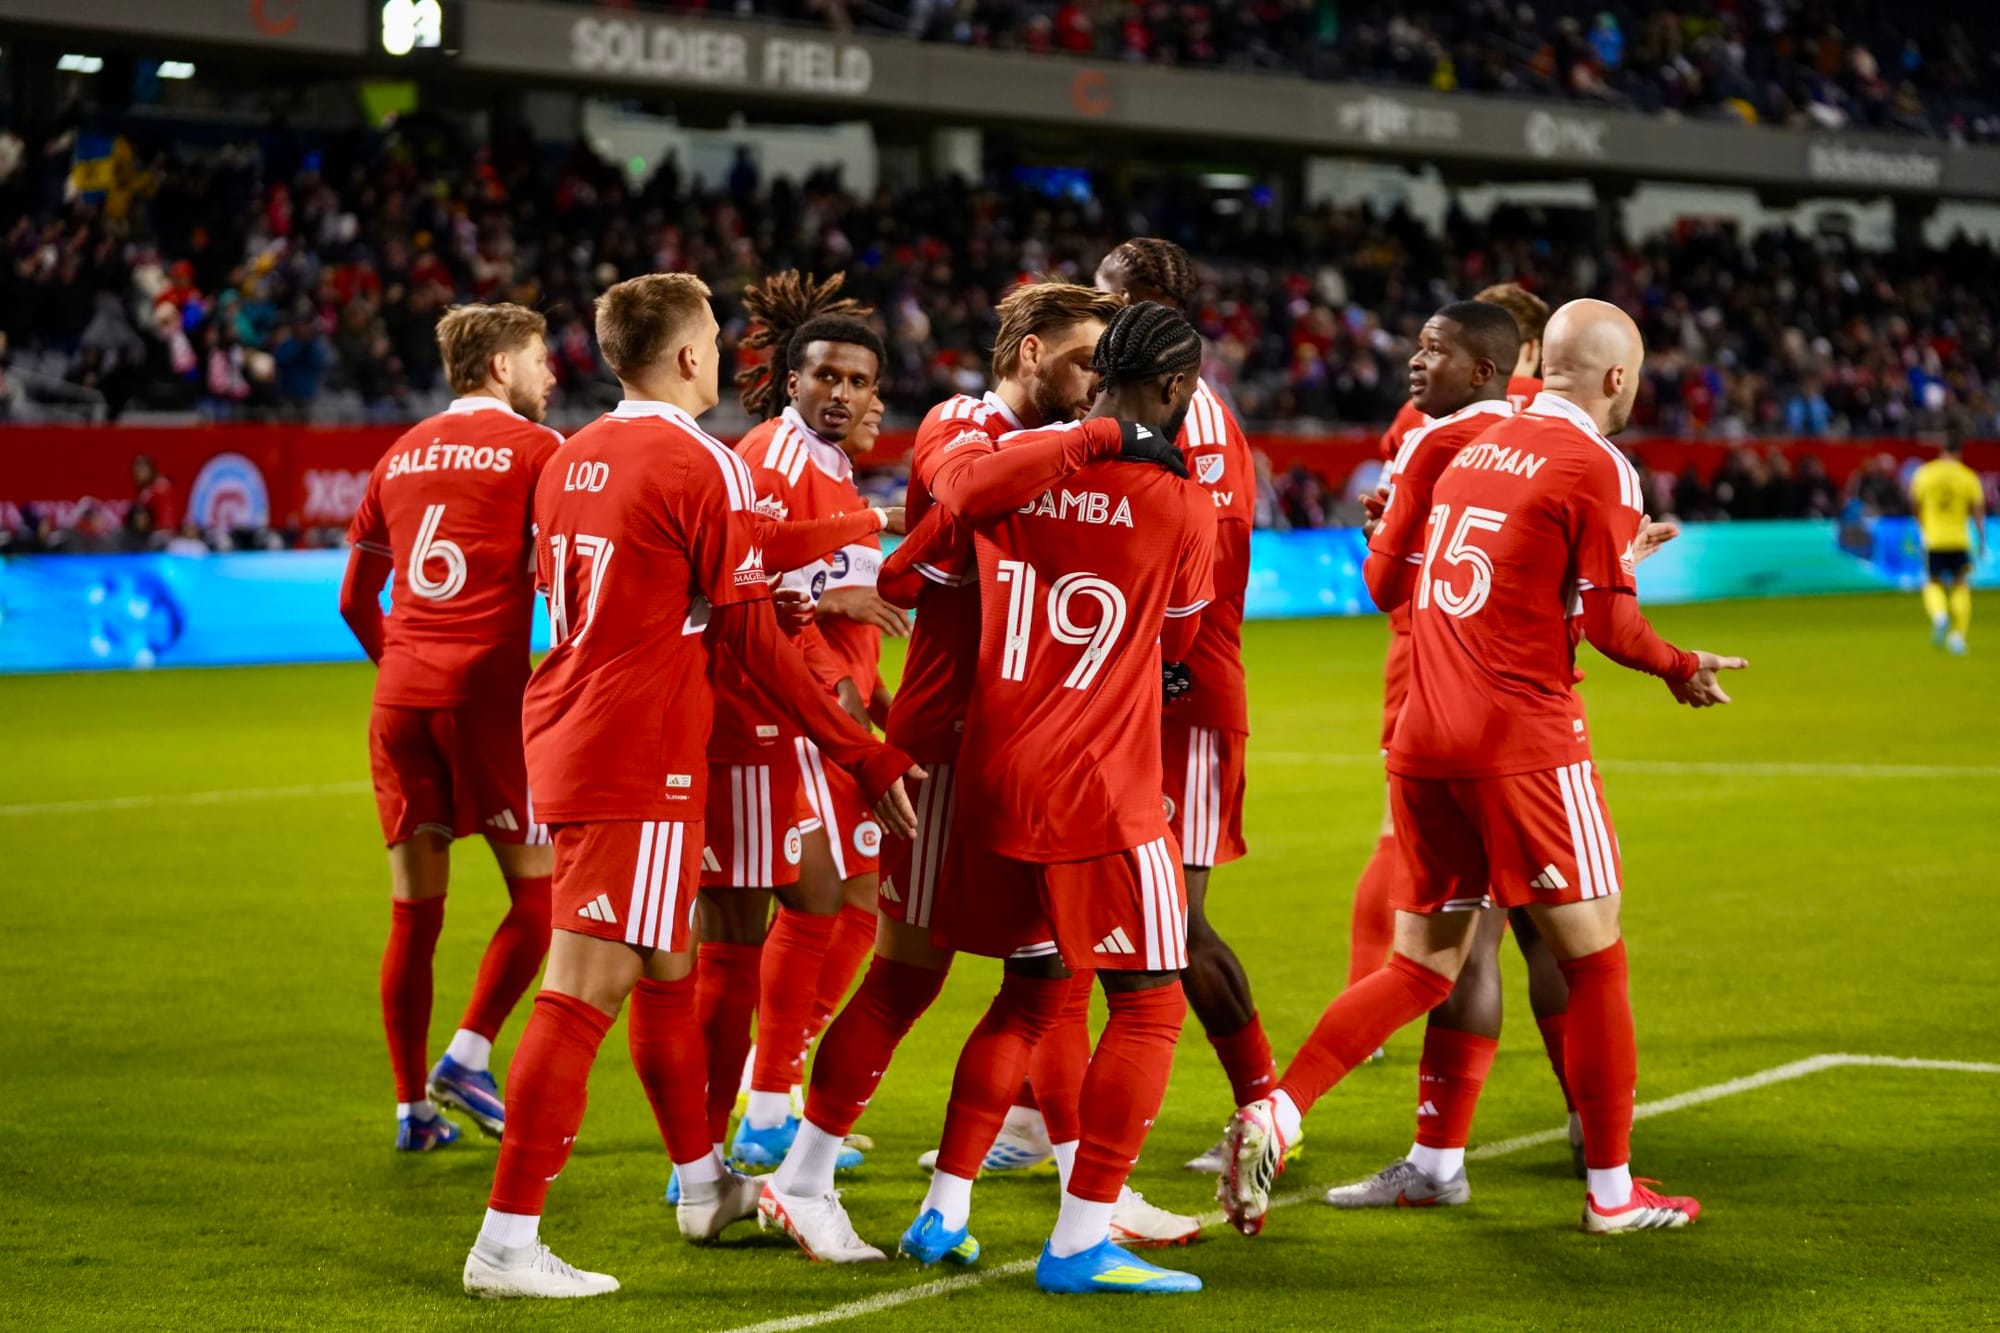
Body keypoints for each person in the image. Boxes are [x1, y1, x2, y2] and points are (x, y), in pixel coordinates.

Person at [1217, 299, 1747, 1239]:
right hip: (1527, 745)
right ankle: (1614, 1191)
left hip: (1424, 738)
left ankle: (1283, 1110)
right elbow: (1617, 629)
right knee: (1595, 960)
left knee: (1423, 964)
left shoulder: (1459, 444)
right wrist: (1679, 666)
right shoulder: (1600, 464)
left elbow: (1420, 579)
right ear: (1619, 380)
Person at [459, 273, 919, 1300]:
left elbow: (713, 553)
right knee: (586, 990)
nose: (720, 352)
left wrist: (843, 522)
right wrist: (861, 753)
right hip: (638, 748)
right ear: (684, 356)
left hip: (577, 726)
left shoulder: (572, 457)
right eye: (711, 336)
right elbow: (753, 635)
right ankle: (505, 1237)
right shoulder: (698, 460)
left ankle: (702, 1182)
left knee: (671, 967)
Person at [759, 280, 1200, 1259]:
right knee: (910, 978)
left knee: (1044, 981)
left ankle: (1033, 1192)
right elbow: (944, 521)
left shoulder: (1062, 460)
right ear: (1031, 350)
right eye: (1084, 362)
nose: (1097, 386)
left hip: (1003, 748)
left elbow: (913, 566)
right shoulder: (968, 423)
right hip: (954, 752)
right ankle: (798, 1167)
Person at [888, 301, 1215, 1294]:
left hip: (994, 776)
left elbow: (913, 563)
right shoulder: (1180, 501)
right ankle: (1079, 1239)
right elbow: (1179, 648)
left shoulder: (1014, 475)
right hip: (1104, 794)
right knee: (1152, 1003)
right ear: (1170, 390)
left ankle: (943, 1207)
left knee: (1030, 995)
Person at [336, 303, 562, 1151]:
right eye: (540, 360)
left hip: (400, 696)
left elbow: (354, 599)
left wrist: (409, 664)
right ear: (502, 366)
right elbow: (565, 582)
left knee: (414, 914)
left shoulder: (397, 455)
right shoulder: (540, 451)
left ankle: (411, 1110)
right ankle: (468, 1054)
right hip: (487, 696)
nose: (550, 376)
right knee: (543, 896)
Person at [702, 271, 902, 1175]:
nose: (845, 395)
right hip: (776, 716)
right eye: (828, 377)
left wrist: (850, 619)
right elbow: (761, 606)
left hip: (824, 705)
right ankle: (760, 1104)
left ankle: (766, 1091)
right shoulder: (776, 463)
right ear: (793, 379)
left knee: (848, 897)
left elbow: (806, 590)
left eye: (860, 382)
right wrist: (846, 708)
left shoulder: (828, 464)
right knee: (808, 901)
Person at [1094, 238, 1272, 1169]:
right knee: (1102, 915)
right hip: (1144, 699)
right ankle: (1049, 1114)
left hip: (1186, 700)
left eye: (1107, 297)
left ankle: (1264, 1107)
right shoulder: (1153, 411)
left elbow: (1194, 574)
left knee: (1175, 925)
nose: (1093, 310)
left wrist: (1163, 672)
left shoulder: (1190, 423)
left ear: (1153, 303)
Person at [1348, 283, 1551, 1001]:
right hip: (1515, 654)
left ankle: (1371, 985)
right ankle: (1589, 1097)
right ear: (1531, 350)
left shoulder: (1422, 416)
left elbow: (1389, 528)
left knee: (1400, 827)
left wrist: (1388, 526)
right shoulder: (1553, 411)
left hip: (1424, 635)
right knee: (1545, 897)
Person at [1908, 436, 1986, 654]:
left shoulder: (1925, 473)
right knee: (1961, 584)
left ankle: (1940, 615)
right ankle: (1957, 637)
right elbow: (1978, 512)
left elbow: (1914, 503)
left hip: (1934, 539)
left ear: (1941, 450)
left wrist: (1922, 526)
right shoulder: (1968, 476)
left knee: (1933, 582)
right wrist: (1981, 539)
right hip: (1959, 540)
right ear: (1960, 453)